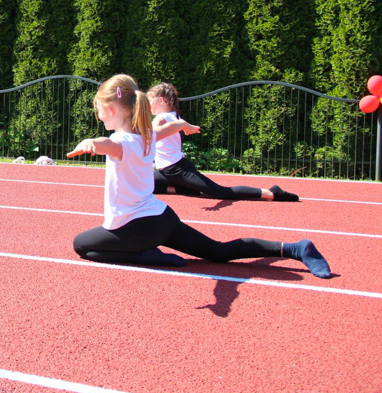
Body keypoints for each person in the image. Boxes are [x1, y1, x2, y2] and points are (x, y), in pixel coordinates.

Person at [68, 74, 331, 278]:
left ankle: (148, 255)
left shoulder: (121, 141)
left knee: (82, 246)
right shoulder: (146, 135)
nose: (98, 115)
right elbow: (169, 128)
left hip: (135, 228)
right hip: (162, 218)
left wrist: (93, 141)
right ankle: (295, 248)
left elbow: (108, 143)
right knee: (219, 251)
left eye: (98, 109)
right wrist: (182, 125)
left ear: (111, 108)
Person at [147, 82, 299, 202]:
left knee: (222, 193)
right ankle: (183, 189)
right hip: (166, 172)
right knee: (141, 185)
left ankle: (270, 192)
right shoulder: (174, 116)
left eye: (150, 101)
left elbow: (150, 136)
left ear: (161, 100)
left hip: (179, 170)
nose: (148, 105)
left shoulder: (162, 118)